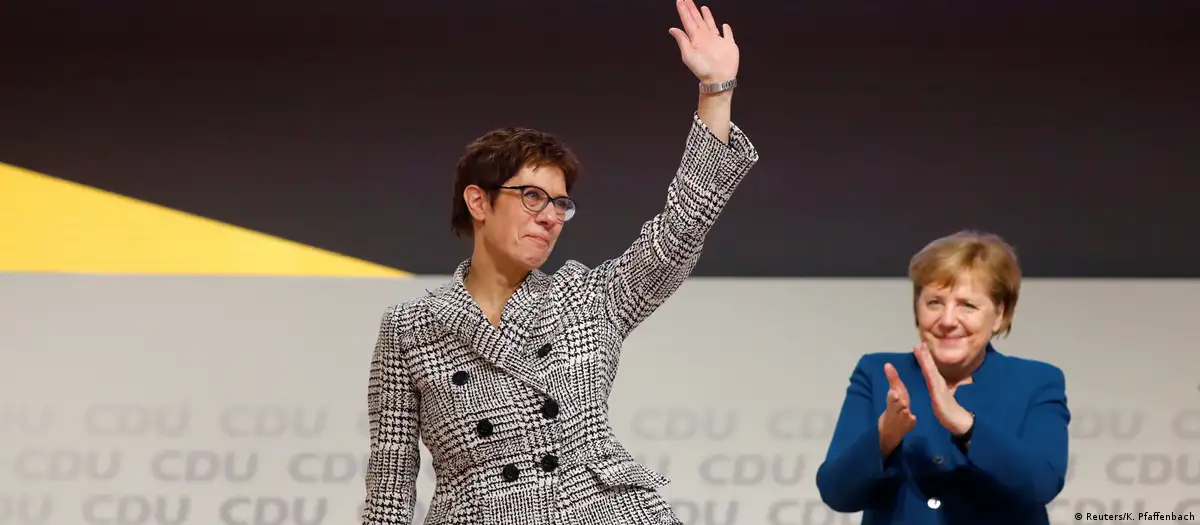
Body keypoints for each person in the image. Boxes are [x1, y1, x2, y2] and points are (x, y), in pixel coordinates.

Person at [361, 2, 758, 524]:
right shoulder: (410, 329)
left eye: (560, 204)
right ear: (478, 201)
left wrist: (716, 92)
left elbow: (682, 228)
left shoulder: (587, 298)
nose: (550, 217)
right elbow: (389, 486)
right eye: (532, 197)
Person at [815, 231, 1071, 525]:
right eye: (935, 302)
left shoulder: (1037, 381)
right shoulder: (877, 373)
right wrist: (885, 435)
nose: (948, 321)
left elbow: (1042, 483)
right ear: (917, 308)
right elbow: (836, 493)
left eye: (967, 305)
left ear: (999, 314)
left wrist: (966, 427)